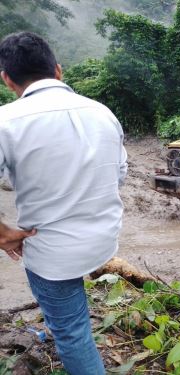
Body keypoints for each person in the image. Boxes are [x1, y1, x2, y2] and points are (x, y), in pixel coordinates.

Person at [0, 32, 127, 374]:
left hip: (52, 253)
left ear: (7, 78)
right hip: (103, 240)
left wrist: (2, 234)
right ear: (58, 70)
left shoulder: (5, 122)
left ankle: (64, 329)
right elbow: (119, 175)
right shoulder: (103, 112)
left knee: (73, 334)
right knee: (68, 300)